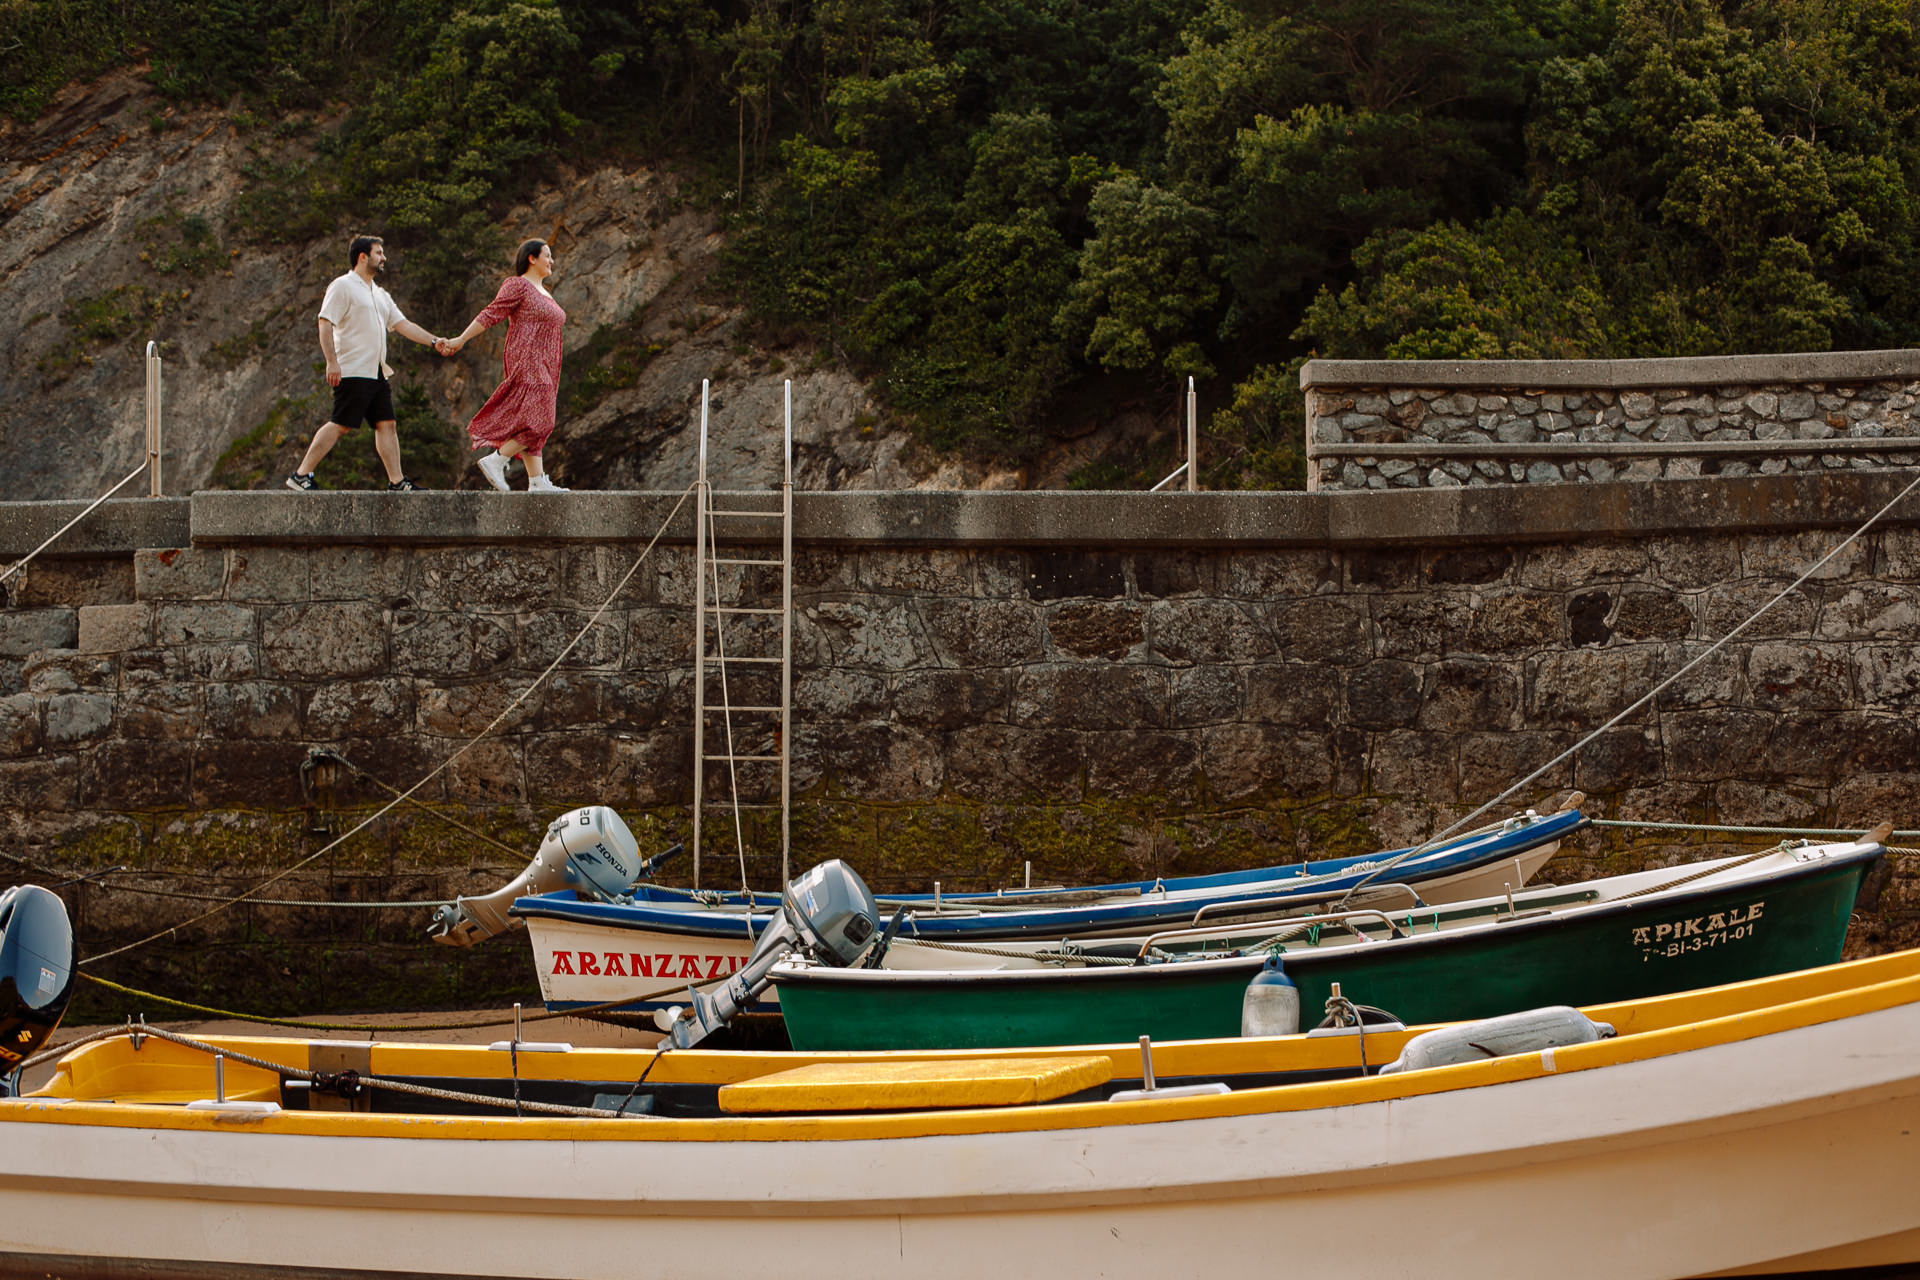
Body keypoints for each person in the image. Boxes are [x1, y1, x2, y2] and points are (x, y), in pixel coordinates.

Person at [286, 234, 445, 492]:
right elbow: (325, 322)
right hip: (353, 369)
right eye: (379, 253)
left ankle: (397, 482)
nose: (384, 258)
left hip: (377, 372)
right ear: (363, 257)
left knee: (387, 423)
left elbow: (403, 324)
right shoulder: (343, 286)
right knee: (341, 423)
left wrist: (434, 341)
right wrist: (331, 362)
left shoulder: (380, 294)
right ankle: (301, 475)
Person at [437, 238, 570, 493]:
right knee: (542, 419)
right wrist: (461, 339)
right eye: (548, 255)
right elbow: (491, 313)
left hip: (548, 363)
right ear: (532, 258)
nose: (552, 261)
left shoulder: (545, 293)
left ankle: (537, 481)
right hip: (528, 357)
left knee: (534, 418)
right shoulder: (518, 285)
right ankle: (497, 459)